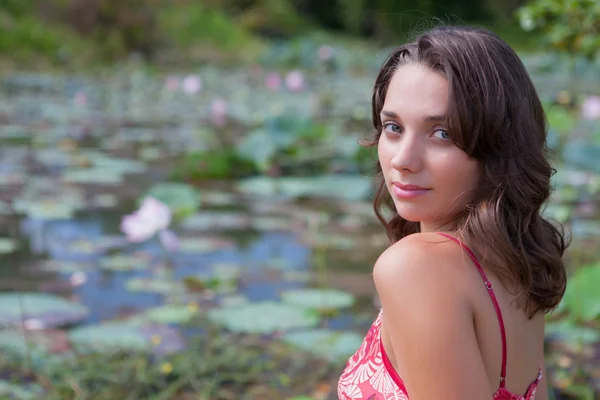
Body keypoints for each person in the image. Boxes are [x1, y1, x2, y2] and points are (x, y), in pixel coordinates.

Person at [337, 25, 568, 400]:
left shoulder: (416, 268)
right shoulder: (516, 264)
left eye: (441, 133)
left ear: (497, 146)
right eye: (393, 127)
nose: (403, 160)